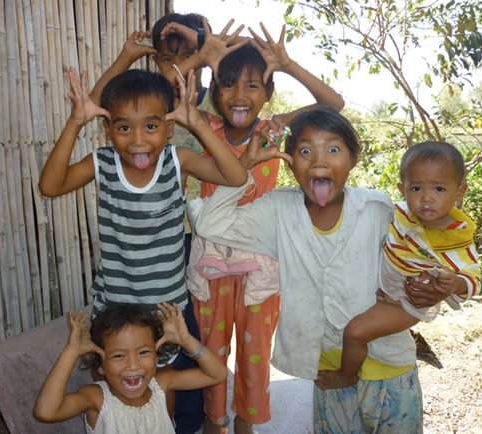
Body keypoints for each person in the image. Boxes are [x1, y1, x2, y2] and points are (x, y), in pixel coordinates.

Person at [193, 107, 433, 432]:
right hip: (328, 373)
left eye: (333, 149)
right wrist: (244, 165)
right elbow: (210, 223)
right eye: (305, 151)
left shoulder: (378, 210)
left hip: (390, 365)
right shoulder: (278, 210)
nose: (319, 162)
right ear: (288, 159)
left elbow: (422, 265)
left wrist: (428, 286)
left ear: (353, 158)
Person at [191, 24, 345, 434]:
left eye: (253, 85)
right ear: (213, 90)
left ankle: (246, 422)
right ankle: (215, 421)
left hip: (263, 263)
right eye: (227, 84)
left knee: (255, 353)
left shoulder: (272, 128)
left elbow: (334, 103)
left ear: (269, 93)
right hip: (212, 261)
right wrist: (202, 57)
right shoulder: (202, 127)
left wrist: (289, 64)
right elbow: (160, 100)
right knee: (212, 350)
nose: (240, 96)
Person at [38, 66, 247, 319]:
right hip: (115, 305)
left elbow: (236, 177)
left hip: (167, 307)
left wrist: (198, 126)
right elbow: (49, 187)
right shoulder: (103, 163)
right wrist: (75, 122)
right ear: (107, 129)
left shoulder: (177, 161)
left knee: (164, 360)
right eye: (124, 128)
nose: (138, 140)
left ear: (169, 128)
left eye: (150, 126)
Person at [327, 141, 482, 388]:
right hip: (387, 289)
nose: (427, 198)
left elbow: (474, 282)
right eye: (416, 188)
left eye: (439, 189)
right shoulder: (400, 213)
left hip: (408, 304)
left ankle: (346, 376)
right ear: (403, 189)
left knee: (355, 333)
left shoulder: (456, 239)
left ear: (460, 192)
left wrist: (454, 283)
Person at [33, 302, 227, 433]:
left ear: (156, 355)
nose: (133, 365)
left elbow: (217, 374)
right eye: (119, 356)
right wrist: (72, 351)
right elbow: (46, 412)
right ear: (100, 365)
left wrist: (186, 340)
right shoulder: (97, 398)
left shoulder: (161, 383)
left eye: (143, 352)